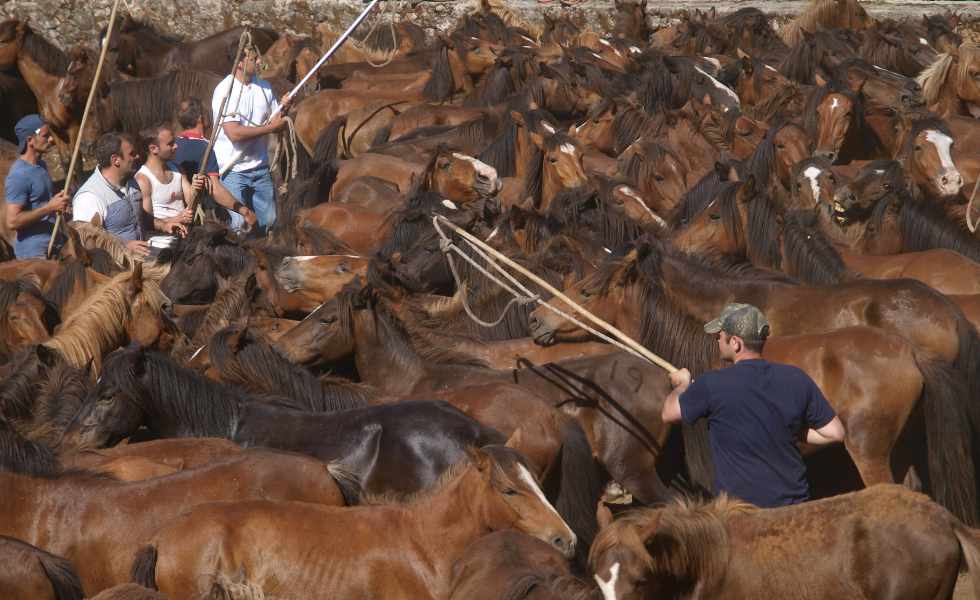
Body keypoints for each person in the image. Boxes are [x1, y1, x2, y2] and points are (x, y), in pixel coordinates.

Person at [661, 303, 846, 508]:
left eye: (720, 335)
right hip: (794, 509)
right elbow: (835, 433)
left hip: (742, 513)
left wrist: (681, 385)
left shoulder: (711, 384)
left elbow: (669, 413)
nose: (716, 339)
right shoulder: (796, 378)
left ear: (736, 343)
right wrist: (792, 432)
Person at [211, 43, 291, 235]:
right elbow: (234, 133)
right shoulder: (225, 90)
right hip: (231, 169)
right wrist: (270, 128)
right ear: (239, 63)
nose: (259, 61)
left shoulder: (263, 87)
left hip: (259, 167)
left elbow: (273, 120)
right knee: (240, 226)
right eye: (253, 58)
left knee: (269, 221)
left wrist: (283, 107)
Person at [173, 97, 257, 232]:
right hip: (195, 218)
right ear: (201, 118)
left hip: (175, 215)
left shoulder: (173, 145)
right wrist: (244, 211)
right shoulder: (205, 147)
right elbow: (215, 190)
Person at [72, 132, 150, 257]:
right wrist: (124, 246)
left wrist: (165, 224)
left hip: (141, 261)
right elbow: (87, 243)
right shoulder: (89, 197)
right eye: (132, 154)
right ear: (116, 160)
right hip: (113, 270)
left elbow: (139, 219)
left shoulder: (131, 182)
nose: (137, 157)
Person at [4, 114, 70, 258]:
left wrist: (58, 202)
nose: (51, 140)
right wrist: (49, 207)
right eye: (45, 136)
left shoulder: (41, 165)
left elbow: (41, 201)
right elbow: (12, 221)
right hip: (34, 255)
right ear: (30, 140)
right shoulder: (18, 175)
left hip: (55, 243)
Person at [136, 124, 206, 237]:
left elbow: (192, 201)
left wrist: (196, 187)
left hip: (186, 233)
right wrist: (176, 219)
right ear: (153, 148)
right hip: (162, 238)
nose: (176, 146)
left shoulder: (177, 169)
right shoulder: (143, 179)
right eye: (170, 144)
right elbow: (146, 222)